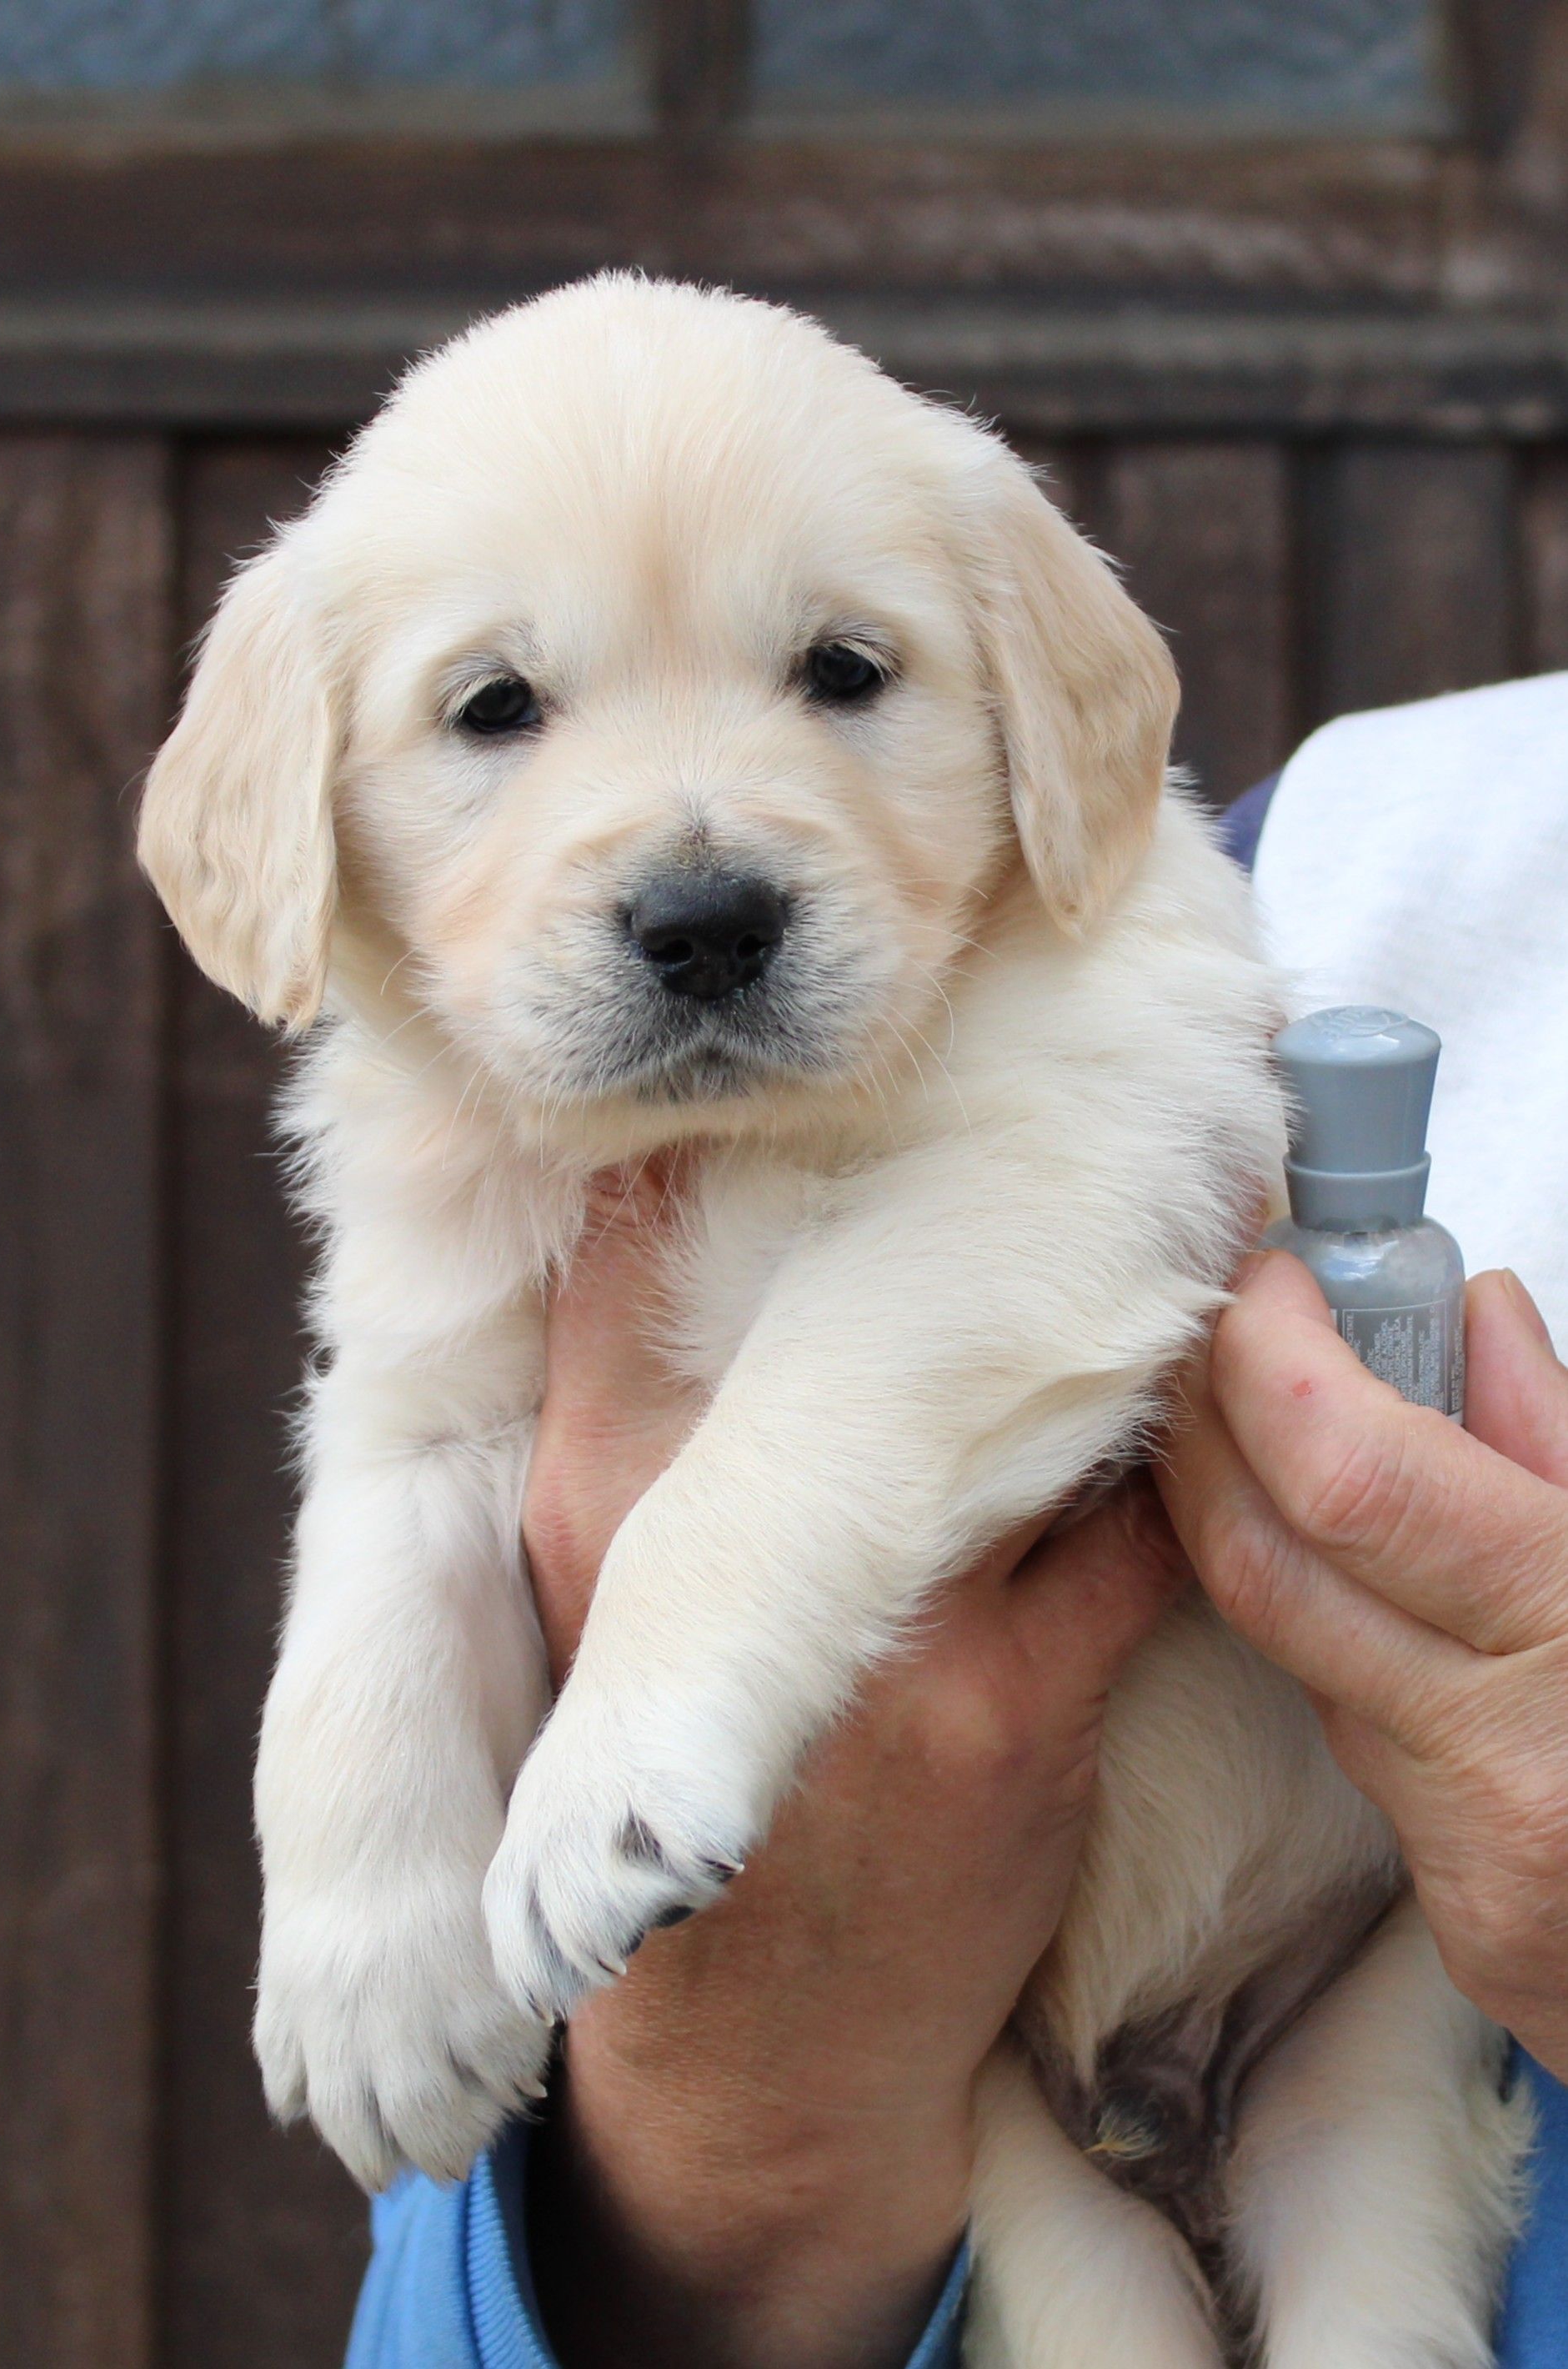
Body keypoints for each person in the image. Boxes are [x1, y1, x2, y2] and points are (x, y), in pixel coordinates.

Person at [348, 675, 1568, 2367]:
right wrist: (731, 2110)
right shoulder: (1338, 853)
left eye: (841, 671)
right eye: (499, 706)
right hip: (1025, 2114)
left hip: (1340, 2016)